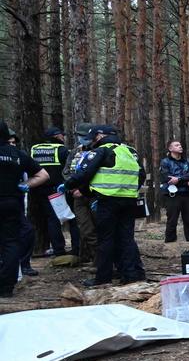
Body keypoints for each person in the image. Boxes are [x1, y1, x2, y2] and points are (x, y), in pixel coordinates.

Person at [62, 125, 147, 287]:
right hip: (129, 200)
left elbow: (84, 173)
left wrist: (69, 185)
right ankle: (130, 275)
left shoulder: (100, 151)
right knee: (127, 239)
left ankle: (103, 277)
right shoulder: (130, 151)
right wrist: (129, 190)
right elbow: (141, 174)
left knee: (106, 239)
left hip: (107, 201)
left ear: (99, 136)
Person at [0, 122, 49, 297]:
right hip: (12, 203)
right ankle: (6, 287)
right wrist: (25, 185)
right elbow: (43, 175)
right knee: (10, 243)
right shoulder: (18, 154)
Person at [28, 127, 69, 256]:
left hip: (37, 188)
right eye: (62, 135)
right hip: (56, 189)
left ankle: (47, 246)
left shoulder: (34, 149)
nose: (64, 137)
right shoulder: (61, 150)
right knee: (55, 218)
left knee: (46, 218)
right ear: (57, 136)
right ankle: (59, 249)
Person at [67, 123, 98, 266]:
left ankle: (104, 263)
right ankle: (97, 260)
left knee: (101, 229)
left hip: (95, 196)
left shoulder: (99, 151)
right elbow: (67, 171)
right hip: (78, 197)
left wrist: (84, 189)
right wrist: (72, 188)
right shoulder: (75, 152)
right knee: (86, 230)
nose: (82, 139)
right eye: (80, 136)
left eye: (85, 136)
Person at [158, 140, 189, 242]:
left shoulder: (188, 162)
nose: (180, 147)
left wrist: (178, 179)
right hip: (172, 195)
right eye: (177, 145)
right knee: (172, 221)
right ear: (170, 149)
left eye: (180, 145)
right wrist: (186, 182)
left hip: (187, 195)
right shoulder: (165, 162)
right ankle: (170, 244)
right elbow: (167, 179)